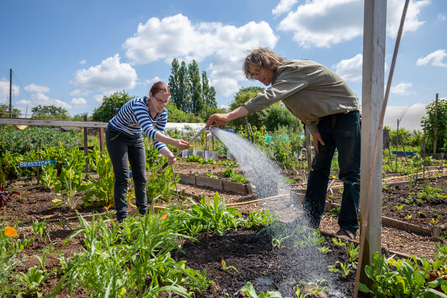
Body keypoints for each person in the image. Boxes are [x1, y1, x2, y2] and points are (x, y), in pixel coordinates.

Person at [205, 48, 361, 240]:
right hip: (323, 122)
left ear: (267, 63)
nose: (256, 77)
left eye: (257, 71)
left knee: (349, 173)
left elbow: (268, 97)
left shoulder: (291, 70)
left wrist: (229, 115)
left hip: (345, 115)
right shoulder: (283, 82)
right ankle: (310, 221)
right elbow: (305, 107)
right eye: (252, 75)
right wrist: (314, 130)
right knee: (318, 170)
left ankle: (348, 228)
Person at [106, 81, 191, 222]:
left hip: (135, 137)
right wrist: (174, 142)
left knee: (141, 177)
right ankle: (122, 220)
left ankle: (143, 217)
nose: (162, 105)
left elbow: (158, 139)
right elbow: (149, 131)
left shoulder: (163, 113)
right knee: (123, 177)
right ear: (150, 95)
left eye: (166, 101)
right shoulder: (139, 105)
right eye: (159, 100)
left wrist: (169, 154)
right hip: (117, 135)